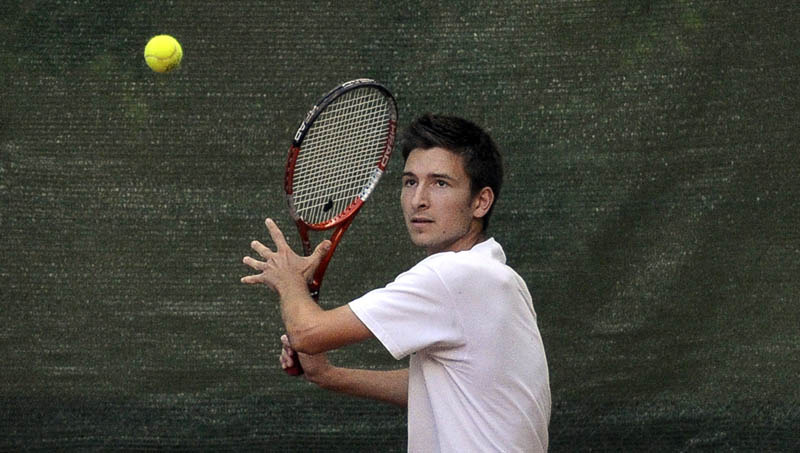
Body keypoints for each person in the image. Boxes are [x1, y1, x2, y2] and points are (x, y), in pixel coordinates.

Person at [242, 114, 551, 452]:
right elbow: (442, 389)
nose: (418, 199)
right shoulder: (501, 278)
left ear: (480, 202)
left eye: (440, 183)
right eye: (410, 182)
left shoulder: (453, 275)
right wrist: (329, 374)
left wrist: (289, 281)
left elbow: (307, 333)